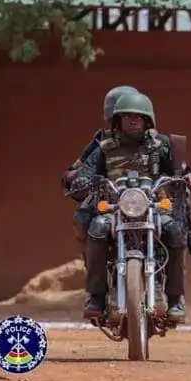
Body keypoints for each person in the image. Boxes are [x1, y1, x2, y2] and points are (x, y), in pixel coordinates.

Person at [71, 93, 191, 322]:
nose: (133, 121)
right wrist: (82, 181)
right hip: (114, 207)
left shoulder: (161, 145)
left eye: (138, 117)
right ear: (118, 120)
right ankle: (96, 296)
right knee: (97, 228)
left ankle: (175, 299)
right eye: (127, 117)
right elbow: (84, 173)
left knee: (174, 231)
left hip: (154, 205)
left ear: (147, 121)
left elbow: (184, 170)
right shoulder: (104, 147)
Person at [62, 85, 139, 263]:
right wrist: (79, 178)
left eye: (133, 116)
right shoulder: (102, 141)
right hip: (110, 196)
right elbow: (77, 169)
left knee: (175, 225)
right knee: (83, 219)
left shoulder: (155, 141)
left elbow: (178, 167)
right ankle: (93, 265)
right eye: (120, 117)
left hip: (144, 198)